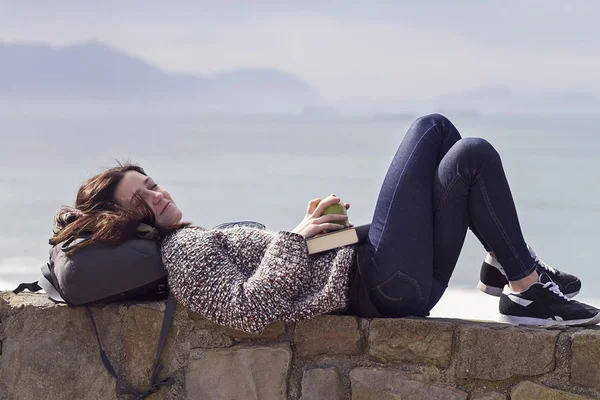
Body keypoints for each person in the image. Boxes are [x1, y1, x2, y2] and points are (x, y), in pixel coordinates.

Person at [50, 114, 600, 333]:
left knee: (466, 158)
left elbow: (286, 269)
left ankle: (511, 271)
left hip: (386, 273)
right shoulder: (182, 253)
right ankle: (521, 283)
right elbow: (247, 309)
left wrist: (326, 230)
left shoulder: (192, 240)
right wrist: (297, 236)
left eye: (152, 182)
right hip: (382, 283)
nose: (158, 193)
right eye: (142, 197)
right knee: (435, 129)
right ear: (125, 217)